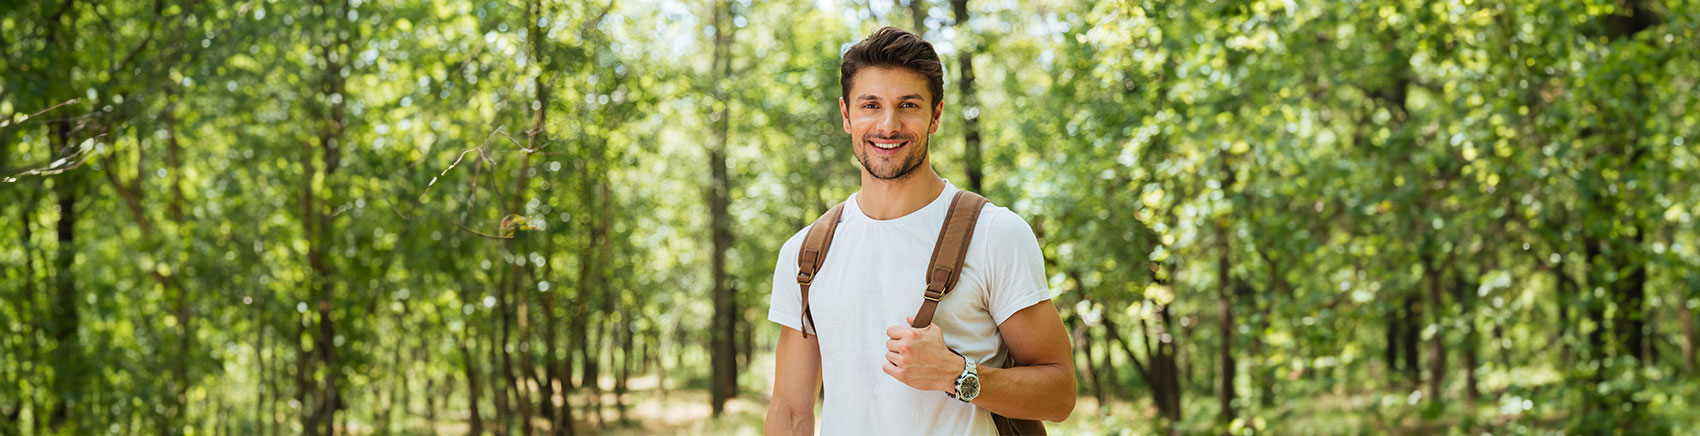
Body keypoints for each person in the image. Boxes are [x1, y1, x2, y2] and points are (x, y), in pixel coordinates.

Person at [764, 26, 1075, 435]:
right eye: (870, 105)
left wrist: (956, 375)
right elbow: (791, 412)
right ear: (846, 115)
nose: (888, 125)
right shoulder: (806, 252)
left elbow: (1060, 394)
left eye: (908, 105)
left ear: (936, 115)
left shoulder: (994, 234)